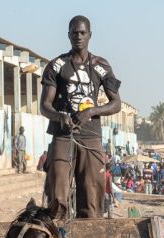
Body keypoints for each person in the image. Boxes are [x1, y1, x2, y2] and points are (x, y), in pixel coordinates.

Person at [40, 15, 121, 219]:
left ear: (90, 35)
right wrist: (59, 117)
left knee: (92, 198)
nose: (78, 36)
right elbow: (44, 106)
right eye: (74, 32)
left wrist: (91, 111)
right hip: (63, 135)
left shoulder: (101, 65)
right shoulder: (56, 65)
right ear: (68, 35)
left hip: (91, 136)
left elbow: (116, 104)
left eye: (82, 33)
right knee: (57, 194)